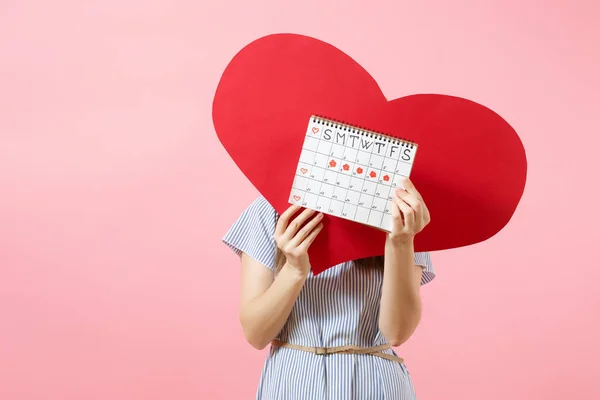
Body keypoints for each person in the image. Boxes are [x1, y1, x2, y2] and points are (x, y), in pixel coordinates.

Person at [222, 178, 435, 399]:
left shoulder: (404, 214)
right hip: (293, 384)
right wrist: (294, 270)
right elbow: (256, 335)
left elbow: (397, 333)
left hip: (375, 385)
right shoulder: (269, 211)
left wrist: (401, 243)